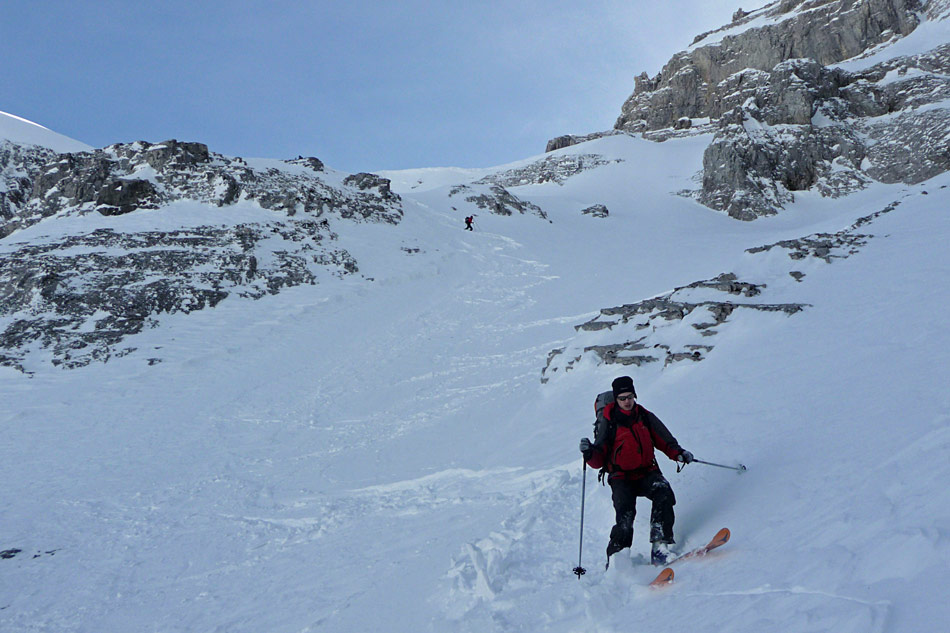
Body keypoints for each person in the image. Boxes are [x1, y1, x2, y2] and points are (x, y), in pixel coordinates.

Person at [579, 376, 693, 566]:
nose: (627, 401)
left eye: (630, 396)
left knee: (663, 492)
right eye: (622, 398)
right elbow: (598, 460)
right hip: (621, 477)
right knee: (625, 515)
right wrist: (589, 453)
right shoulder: (607, 421)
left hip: (647, 472)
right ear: (616, 399)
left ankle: (660, 547)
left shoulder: (644, 416)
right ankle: (617, 561)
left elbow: (664, 439)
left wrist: (679, 453)